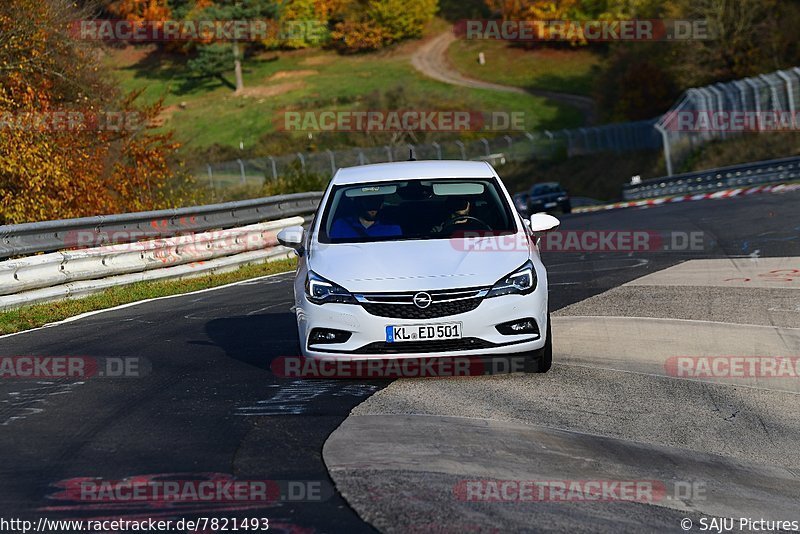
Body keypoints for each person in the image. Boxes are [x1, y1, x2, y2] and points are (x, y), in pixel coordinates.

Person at [329, 195, 402, 239]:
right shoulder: (341, 225)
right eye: (369, 203)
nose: (373, 210)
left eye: (377, 203)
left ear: (381, 205)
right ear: (359, 203)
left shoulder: (393, 228)